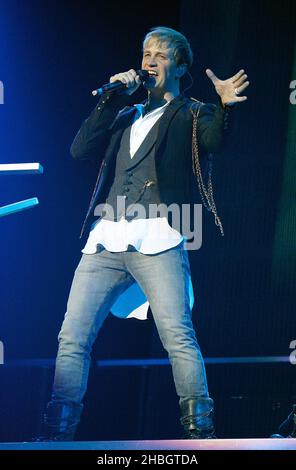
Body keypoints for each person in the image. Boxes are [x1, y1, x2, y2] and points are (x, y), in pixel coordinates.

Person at [38, 26, 249, 441]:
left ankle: (199, 431)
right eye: (146, 53)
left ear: (180, 66)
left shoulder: (193, 112)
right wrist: (112, 97)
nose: (149, 61)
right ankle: (57, 433)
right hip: (106, 238)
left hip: (159, 235)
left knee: (176, 334)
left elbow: (215, 141)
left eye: (161, 55)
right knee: (72, 335)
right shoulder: (124, 115)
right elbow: (80, 150)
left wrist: (225, 107)